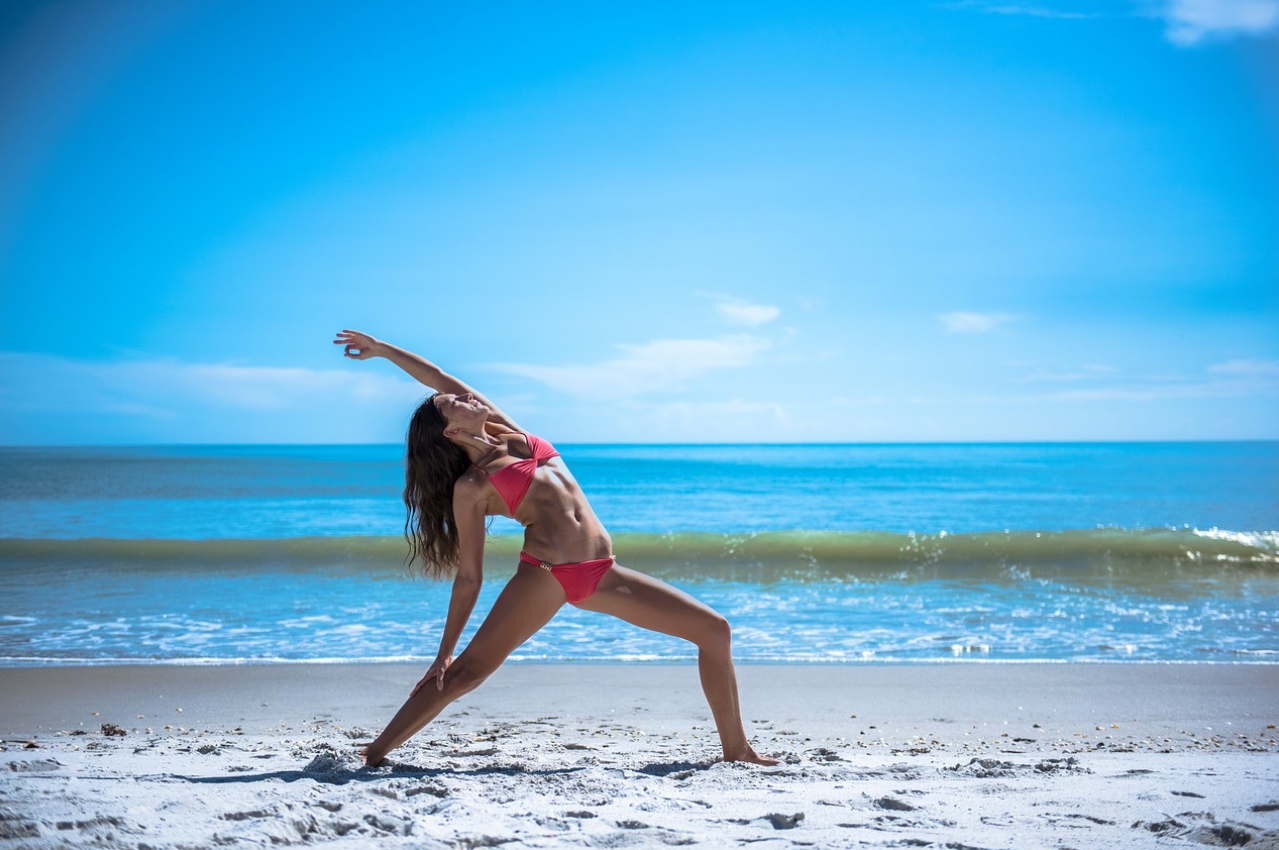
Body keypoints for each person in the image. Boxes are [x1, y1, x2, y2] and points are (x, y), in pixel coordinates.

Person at [334, 330, 779, 767]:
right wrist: (444, 650)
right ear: (449, 433)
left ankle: (736, 749)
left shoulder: (509, 432)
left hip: (603, 573)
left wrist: (383, 350)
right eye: (456, 403)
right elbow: (470, 575)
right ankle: (375, 752)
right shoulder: (472, 487)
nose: (468, 398)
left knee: (714, 630)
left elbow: (437, 375)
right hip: (545, 576)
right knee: (465, 673)